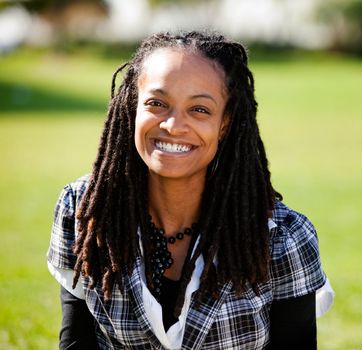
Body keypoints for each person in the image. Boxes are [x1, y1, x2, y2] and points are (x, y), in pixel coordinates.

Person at [47, 31, 334, 350]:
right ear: (132, 108)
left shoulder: (283, 238)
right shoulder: (84, 211)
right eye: (157, 103)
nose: (173, 125)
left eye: (199, 109)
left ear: (225, 123)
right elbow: (76, 341)